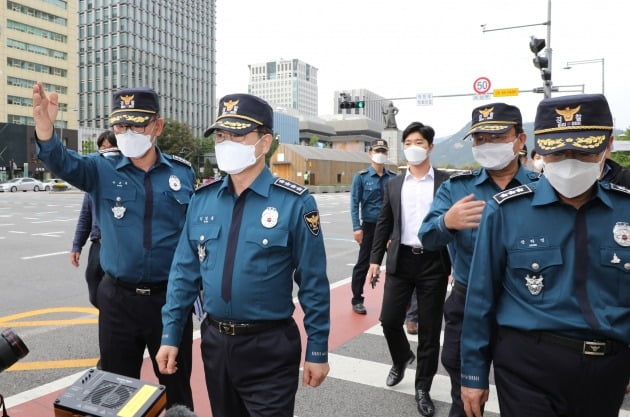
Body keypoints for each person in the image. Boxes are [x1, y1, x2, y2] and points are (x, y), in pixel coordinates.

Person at [156, 93, 330, 417]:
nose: (226, 143)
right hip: (216, 343)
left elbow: (314, 283)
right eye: (221, 135)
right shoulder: (202, 200)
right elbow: (183, 273)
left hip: (269, 347)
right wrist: (170, 334)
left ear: (264, 143)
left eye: (237, 135)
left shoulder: (295, 203)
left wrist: (317, 348)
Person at [460, 94, 630, 417]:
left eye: (583, 150)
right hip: (528, 365)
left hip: (607, 367)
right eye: (558, 152)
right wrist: (473, 373)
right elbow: (480, 298)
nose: (570, 162)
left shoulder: (626, 209)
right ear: (540, 150)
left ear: (607, 147)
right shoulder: (506, 211)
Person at [33, 83, 195, 410]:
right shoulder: (100, 168)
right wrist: (45, 128)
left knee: (176, 389)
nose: (126, 132)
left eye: (136, 124)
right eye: (120, 125)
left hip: (169, 302)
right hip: (118, 300)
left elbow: (193, 237)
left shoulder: (182, 173)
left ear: (157, 127)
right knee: (115, 392)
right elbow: (62, 162)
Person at [418, 103, 539, 417]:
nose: (487, 145)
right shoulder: (457, 189)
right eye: (480, 139)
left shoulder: (542, 190)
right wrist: (448, 221)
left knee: (526, 396)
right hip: (467, 301)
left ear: (520, 139)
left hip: (525, 306)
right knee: (466, 398)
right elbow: (427, 236)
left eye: (496, 136)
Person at [367, 122, 452, 417]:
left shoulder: (445, 182)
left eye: (419, 142)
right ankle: (402, 356)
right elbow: (384, 223)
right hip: (401, 259)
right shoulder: (394, 184)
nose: (413, 147)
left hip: (433, 262)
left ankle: (422, 387)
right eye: (408, 142)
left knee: (429, 330)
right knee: (389, 320)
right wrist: (375, 260)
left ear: (430, 146)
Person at [70, 131, 118, 308]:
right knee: (92, 279)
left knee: (115, 287)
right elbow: (85, 216)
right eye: (103, 148)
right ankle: (108, 315)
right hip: (98, 243)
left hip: (117, 245)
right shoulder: (94, 181)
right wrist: (77, 246)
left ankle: (112, 319)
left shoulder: (126, 178)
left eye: (111, 147)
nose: (107, 151)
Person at [350, 139, 396, 314]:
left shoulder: (393, 178)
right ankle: (357, 299)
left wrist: (394, 232)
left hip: (390, 228)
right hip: (369, 227)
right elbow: (354, 203)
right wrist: (356, 228)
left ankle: (398, 300)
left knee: (395, 264)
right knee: (363, 264)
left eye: (383, 151)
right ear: (370, 153)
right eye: (377, 151)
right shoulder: (361, 177)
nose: (380, 154)